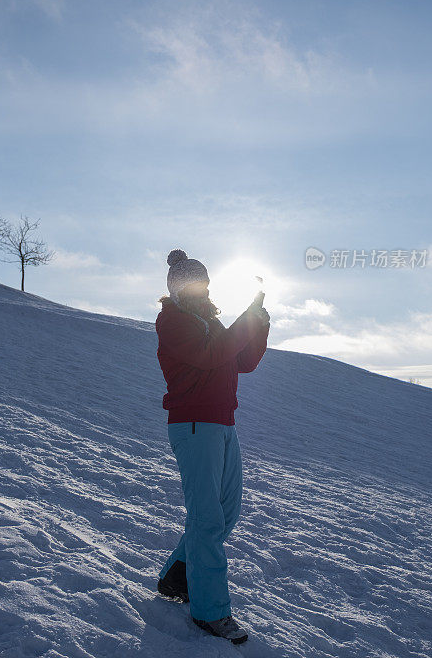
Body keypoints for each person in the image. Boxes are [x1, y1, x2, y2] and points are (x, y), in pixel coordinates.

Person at [155, 248, 270, 645]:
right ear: (176, 288)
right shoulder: (172, 323)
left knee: (225, 512)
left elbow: (243, 361)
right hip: (193, 425)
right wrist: (243, 322)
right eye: (191, 283)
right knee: (207, 519)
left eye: (202, 281)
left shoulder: (211, 322)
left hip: (223, 424)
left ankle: (177, 575)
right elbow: (210, 356)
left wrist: (259, 319)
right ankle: (211, 612)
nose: (199, 289)